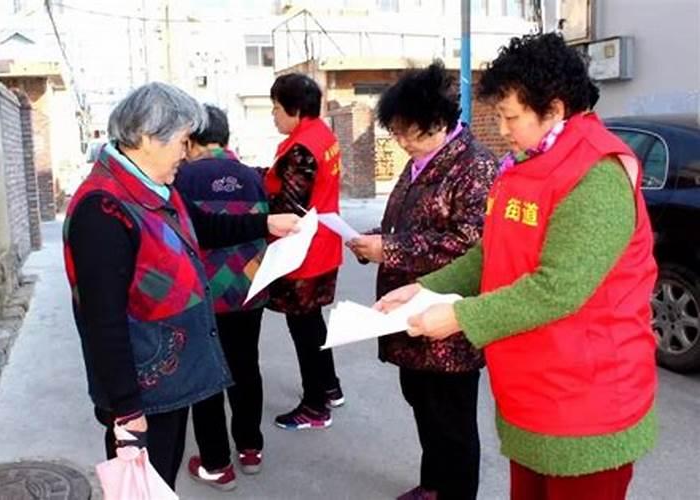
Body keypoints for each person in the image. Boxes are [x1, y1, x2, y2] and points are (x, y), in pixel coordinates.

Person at [377, 33, 658, 500]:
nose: (503, 131)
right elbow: (491, 252)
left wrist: (458, 318)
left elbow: (557, 289)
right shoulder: (528, 165)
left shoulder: (595, 175)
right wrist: (425, 288)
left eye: (510, 117)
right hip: (535, 392)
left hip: (586, 401)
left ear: (553, 108)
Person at [63, 82, 299, 489]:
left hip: (168, 378)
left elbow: (201, 225)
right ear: (147, 137)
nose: (187, 152)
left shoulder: (155, 188)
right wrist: (126, 410)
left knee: (162, 479)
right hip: (141, 385)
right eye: (182, 140)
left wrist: (264, 223)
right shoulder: (103, 208)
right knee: (142, 489)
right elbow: (103, 320)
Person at [348, 61, 497, 500]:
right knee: (423, 409)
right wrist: (373, 241)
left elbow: (471, 245)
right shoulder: (418, 163)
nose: (398, 141)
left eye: (405, 131)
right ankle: (433, 485)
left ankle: (455, 493)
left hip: (447, 325)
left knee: (452, 425)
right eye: (393, 131)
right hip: (407, 316)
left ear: (437, 122)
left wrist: (389, 250)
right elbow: (408, 225)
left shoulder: (475, 167)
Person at [174, 105, 269, 491]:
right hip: (250, 290)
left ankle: (216, 463)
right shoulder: (253, 177)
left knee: (207, 374)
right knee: (247, 367)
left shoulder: (182, 177)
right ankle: (250, 448)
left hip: (203, 295)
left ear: (192, 139)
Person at [264, 73, 344, 430]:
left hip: (303, 251)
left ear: (294, 109)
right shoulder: (322, 135)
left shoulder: (301, 148)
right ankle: (330, 386)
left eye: (277, 108)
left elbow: (291, 205)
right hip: (325, 243)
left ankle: (314, 406)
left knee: (305, 329)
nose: (274, 115)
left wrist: (256, 206)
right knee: (313, 322)